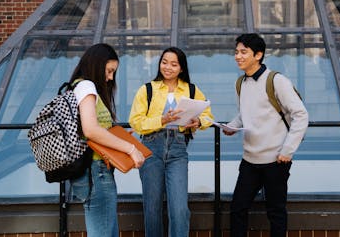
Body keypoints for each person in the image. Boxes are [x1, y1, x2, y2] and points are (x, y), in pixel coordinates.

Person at [223, 33, 308, 237]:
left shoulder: (276, 81)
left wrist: (287, 151)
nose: (238, 56)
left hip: (276, 160)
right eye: (236, 52)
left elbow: (301, 115)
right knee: (238, 209)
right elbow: (245, 114)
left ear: (258, 55)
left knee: (276, 213)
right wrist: (231, 126)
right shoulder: (240, 83)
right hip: (249, 160)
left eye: (244, 52)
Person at [129, 46, 214, 237]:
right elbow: (136, 122)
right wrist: (162, 120)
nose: (167, 67)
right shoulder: (147, 89)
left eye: (174, 64)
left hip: (178, 149)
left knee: (180, 209)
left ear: (181, 68)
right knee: (152, 209)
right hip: (151, 148)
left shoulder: (190, 89)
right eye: (164, 62)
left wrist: (198, 121)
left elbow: (208, 116)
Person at [69, 43, 145, 237]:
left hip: (95, 171)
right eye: (109, 71)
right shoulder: (86, 86)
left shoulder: (79, 86)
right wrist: (130, 148)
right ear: (96, 64)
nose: (110, 77)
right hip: (96, 172)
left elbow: (92, 130)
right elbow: (91, 130)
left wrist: (118, 138)